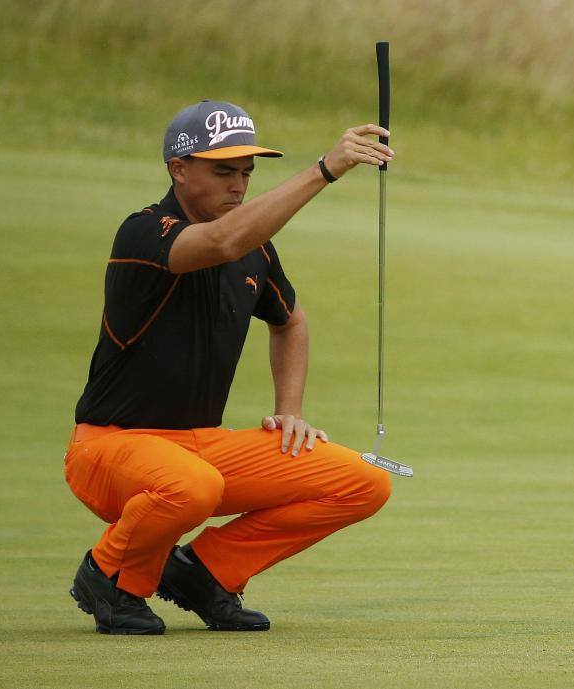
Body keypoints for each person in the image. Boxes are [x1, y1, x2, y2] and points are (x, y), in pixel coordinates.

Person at [64, 100, 395, 635]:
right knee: (192, 486)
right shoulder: (145, 232)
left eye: (246, 173)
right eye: (223, 171)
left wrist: (290, 412)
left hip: (199, 445)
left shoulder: (254, 249)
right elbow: (222, 240)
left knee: (362, 481)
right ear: (178, 169)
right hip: (108, 448)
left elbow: (290, 321)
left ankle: (207, 573)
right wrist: (325, 168)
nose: (238, 186)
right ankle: (111, 575)